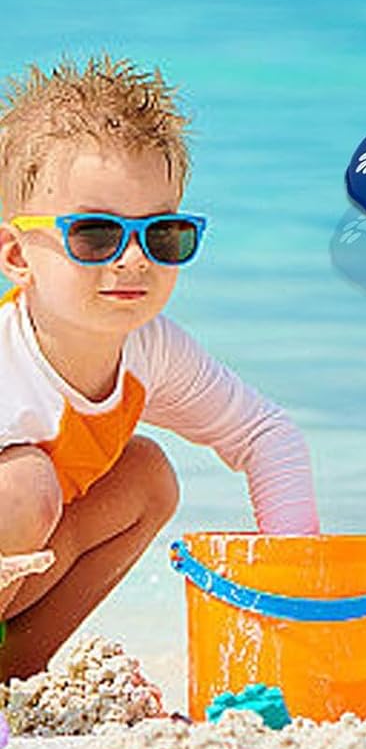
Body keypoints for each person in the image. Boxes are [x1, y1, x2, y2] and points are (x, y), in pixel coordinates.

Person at [0, 55, 318, 680]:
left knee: (148, 476)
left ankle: (15, 670)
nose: (134, 260)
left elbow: (265, 435)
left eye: (163, 234)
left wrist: (300, 582)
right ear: (17, 255)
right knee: (25, 488)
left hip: (18, 573)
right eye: (96, 235)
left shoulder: (152, 350)